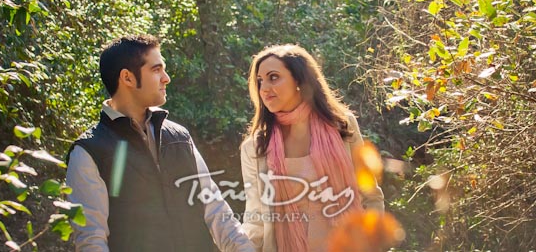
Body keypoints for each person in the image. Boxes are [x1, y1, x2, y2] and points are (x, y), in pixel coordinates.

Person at [66, 34, 254, 251]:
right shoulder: (88, 151)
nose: (166, 78)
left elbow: (217, 212)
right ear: (127, 78)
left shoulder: (179, 137)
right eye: (156, 69)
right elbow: (91, 241)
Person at [239, 44, 384, 252]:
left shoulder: (342, 126)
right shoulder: (255, 147)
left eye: (273, 77)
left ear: (299, 80)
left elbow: (371, 196)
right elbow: (256, 220)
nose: (264, 88)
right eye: (260, 81)